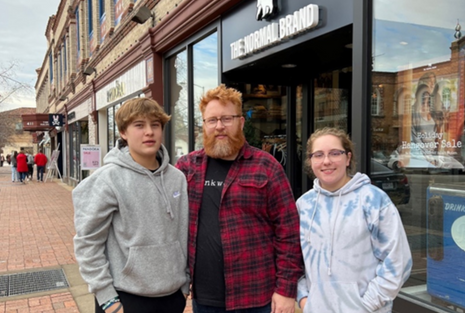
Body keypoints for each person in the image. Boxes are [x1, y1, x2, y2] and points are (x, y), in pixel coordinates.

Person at [175, 84, 303, 313]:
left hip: (256, 297)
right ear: (203, 125)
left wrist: (285, 289)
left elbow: (289, 232)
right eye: (212, 120)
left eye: (227, 118)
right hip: (204, 298)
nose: (219, 126)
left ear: (241, 122)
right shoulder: (186, 168)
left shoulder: (267, 167)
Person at [73, 98, 189, 313]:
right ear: (123, 133)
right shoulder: (108, 179)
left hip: (172, 296)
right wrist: (107, 298)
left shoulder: (177, 178)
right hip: (124, 298)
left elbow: (182, 233)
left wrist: (184, 284)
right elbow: (87, 242)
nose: (149, 132)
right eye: (139, 125)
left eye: (155, 125)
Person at [296, 127, 412, 313]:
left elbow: (398, 262)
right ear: (311, 161)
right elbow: (294, 261)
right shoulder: (304, 205)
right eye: (318, 155)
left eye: (335, 153)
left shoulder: (374, 200)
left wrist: (365, 306)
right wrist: (304, 299)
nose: (326, 161)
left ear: (348, 158)